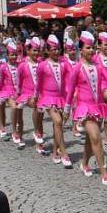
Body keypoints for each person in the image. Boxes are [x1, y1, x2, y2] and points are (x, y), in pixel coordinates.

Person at [64, 32, 107, 185]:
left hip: (97, 107)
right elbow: (71, 90)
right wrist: (66, 109)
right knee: (96, 136)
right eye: (87, 48)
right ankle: (103, 169)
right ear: (81, 50)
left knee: (90, 139)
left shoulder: (98, 67)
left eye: (92, 48)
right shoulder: (77, 69)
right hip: (84, 108)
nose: (91, 50)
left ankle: (84, 163)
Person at [36, 35, 73, 168]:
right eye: (53, 49)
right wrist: (37, 96)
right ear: (47, 50)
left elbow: (71, 79)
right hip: (47, 97)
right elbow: (39, 83)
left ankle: (54, 152)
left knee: (58, 125)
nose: (56, 52)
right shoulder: (42, 65)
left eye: (58, 49)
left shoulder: (64, 64)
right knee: (57, 121)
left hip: (61, 98)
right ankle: (63, 153)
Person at [17, 37, 48, 156]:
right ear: (28, 51)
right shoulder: (23, 65)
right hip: (26, 94)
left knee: (40, 115)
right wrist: (18, 94)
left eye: (38, 50)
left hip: (40, 94)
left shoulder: (42, 64)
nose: (37, 53)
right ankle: (32, 133)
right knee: (36, 105)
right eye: (34, 50)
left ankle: (39, 141)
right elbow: (19, 82)